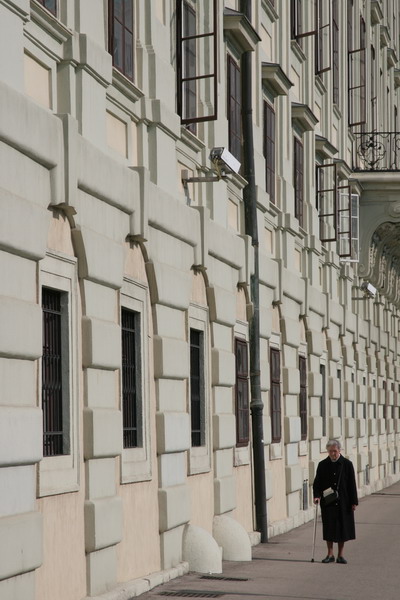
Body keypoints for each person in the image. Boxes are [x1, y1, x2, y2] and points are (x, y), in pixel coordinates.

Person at [313, 439, 358, 564]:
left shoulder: (347, 464)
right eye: (330, 451)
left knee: (342, 528)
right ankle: (330, 554)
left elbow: (351, 484)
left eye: (335, 451)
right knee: (329, 527)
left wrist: (354, 501)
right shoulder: (322, 465)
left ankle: (340, 555)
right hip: (328, 501)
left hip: (344, 501)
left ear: (339, 450)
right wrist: (317, 496)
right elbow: (317, 483)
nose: (332, 453)